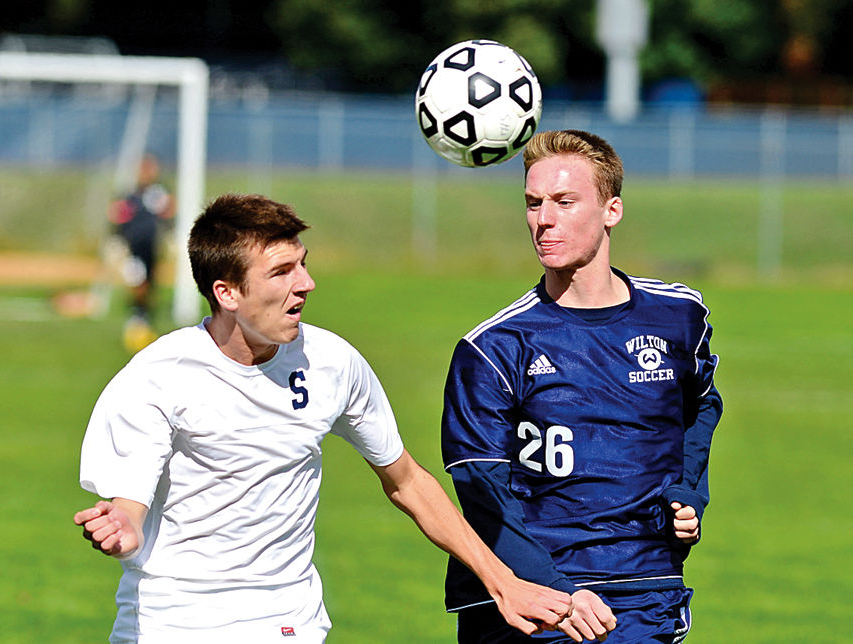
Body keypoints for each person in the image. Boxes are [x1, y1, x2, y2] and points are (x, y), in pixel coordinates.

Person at [74, 193, 571, 643]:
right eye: (281, 272)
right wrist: (123, 529)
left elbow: (407, 481)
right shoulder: (159, 376)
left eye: (303, 265)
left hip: (288, 621)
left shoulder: (332, 363)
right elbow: (130, 511)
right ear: (227, 293)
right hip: (175, 622)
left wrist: (503, 582)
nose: (306, 284)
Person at [440, 130, 722, 643]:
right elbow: (482, 490)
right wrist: (555, 591)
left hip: (643, 585)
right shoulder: (493, 348)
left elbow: (701, 405)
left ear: (611, 210)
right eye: (533, 203)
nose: (543, 219)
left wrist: (687, 493)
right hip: (527, 597)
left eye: (564, 202)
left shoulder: (678, 316)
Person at [107, 153, 176, 352]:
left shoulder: (158, 193)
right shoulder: (129, 195)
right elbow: (116, 214)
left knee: (150, 282)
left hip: (152, 246)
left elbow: (170, 210)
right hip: (133, 246)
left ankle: (144, 317)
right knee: (138, 282)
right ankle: (138, 316)